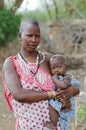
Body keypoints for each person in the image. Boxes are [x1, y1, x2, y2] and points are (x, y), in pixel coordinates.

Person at [2, 18, 80, 130]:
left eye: (37, 36)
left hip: (54, 126)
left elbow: (67, 82)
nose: (34, 40)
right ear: (20, 36)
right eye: (29, 35)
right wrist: (52, 94)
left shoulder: (48, 59)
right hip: (28, 126)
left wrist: (73, 90)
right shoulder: (11, 63)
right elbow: (19, 95)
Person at [45, 54, 81, 130]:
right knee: (51, 107)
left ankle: (54, 124)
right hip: (59, 100)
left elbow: (64, 86)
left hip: (66, 101)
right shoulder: (57, 77)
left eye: (59, 67)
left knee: (63, 120)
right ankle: (54, 123)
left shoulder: (67, 77)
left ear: (66, 67)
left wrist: (55, 79)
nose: (56, 70)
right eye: (53, 68)